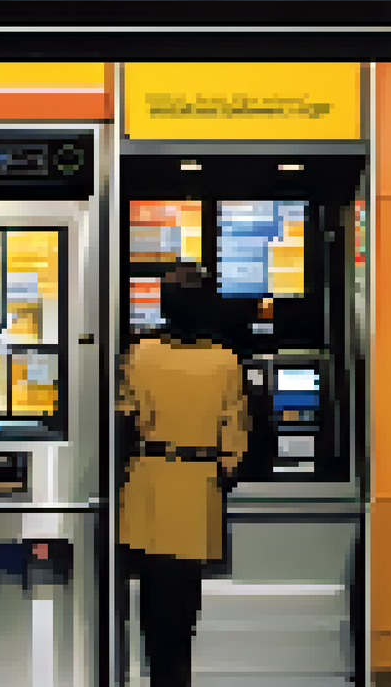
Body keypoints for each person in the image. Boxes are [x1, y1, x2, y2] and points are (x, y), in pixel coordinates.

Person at [115, 263, 251, 687]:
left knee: (153, 606)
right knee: (184, 609)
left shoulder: (141, 354)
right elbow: (236, 440)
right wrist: (220, 470)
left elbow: (125, 421)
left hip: (149, 489)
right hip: (197, 491)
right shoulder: (226, 362)